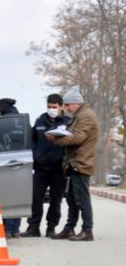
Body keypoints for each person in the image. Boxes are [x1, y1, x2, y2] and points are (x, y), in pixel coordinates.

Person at [46, 87, 99, 241]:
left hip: (81, 163)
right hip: (74, 163)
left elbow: (77, 138)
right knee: (71, 199)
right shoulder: (79, 115)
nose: (66, 108)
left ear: (76, 103)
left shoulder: (86, 116)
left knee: (82, 198)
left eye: (68, 105)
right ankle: (69, 228)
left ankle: (87, 230)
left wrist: (56, 139)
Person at [21, 94, 70, 238]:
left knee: (56, 201)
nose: (51, 109)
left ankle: (51, 228)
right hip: (41, 167)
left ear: (61, 107)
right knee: (36, 199)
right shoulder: (41, 119)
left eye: (54, 107)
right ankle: (33, 227)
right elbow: (33, 139)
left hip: (59, 168)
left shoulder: (68, 121)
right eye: (49, 106)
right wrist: (35, 155)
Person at [0, 97, 22, 237]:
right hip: (22, 161)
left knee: (6, 197)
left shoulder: (3, 121)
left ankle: (6, 229)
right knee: (17, 196)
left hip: (6, 161)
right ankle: (15, 230)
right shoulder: (21, 120)